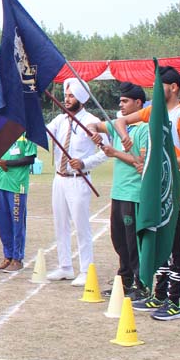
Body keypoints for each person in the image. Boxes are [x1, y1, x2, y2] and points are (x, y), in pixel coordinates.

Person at [116, 65, 180, 320]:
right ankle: (158, 296)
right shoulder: (153, 110)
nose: (154, 89)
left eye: (159, 85)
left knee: (175, 248)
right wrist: (125, 136)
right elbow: (120, 120)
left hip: (174, 192)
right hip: (156, 190)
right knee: (158, 241)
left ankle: (175, 302)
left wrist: (156, 160)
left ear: (173, 87)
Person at [90, 82, 148, 299]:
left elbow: (141, 161)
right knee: (119, 240)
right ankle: (124, 281)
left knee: (134, 242)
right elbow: (95, 125)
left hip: (134, 192)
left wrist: (115, 153)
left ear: (138, 103)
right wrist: (94, 133)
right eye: (120, 101)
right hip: (118, 192)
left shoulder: (143, 128)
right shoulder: (117, 125)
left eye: (125, 101)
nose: (121, 105)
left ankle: (141, 284)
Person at [47, 78, 107, 284]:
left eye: (71, 96)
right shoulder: (60, 120)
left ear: (81, 98)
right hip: (59, 178)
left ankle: (85, 270)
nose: (67, 99)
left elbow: (105, 152)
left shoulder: (92, 121)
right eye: (66, 95)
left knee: (81, 225)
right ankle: (65, 266)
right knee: (60, 223)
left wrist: (84, 163)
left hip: (78, 180)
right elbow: (45, 131)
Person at [0, 134, 37, 273]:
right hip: (0, 181)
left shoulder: (28, 133)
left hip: (17, 184)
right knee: (2, 221)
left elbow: (30, 158)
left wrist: (8, 163)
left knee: (17, 222)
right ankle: (8, 256)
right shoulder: (3, 130)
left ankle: (17, 258)